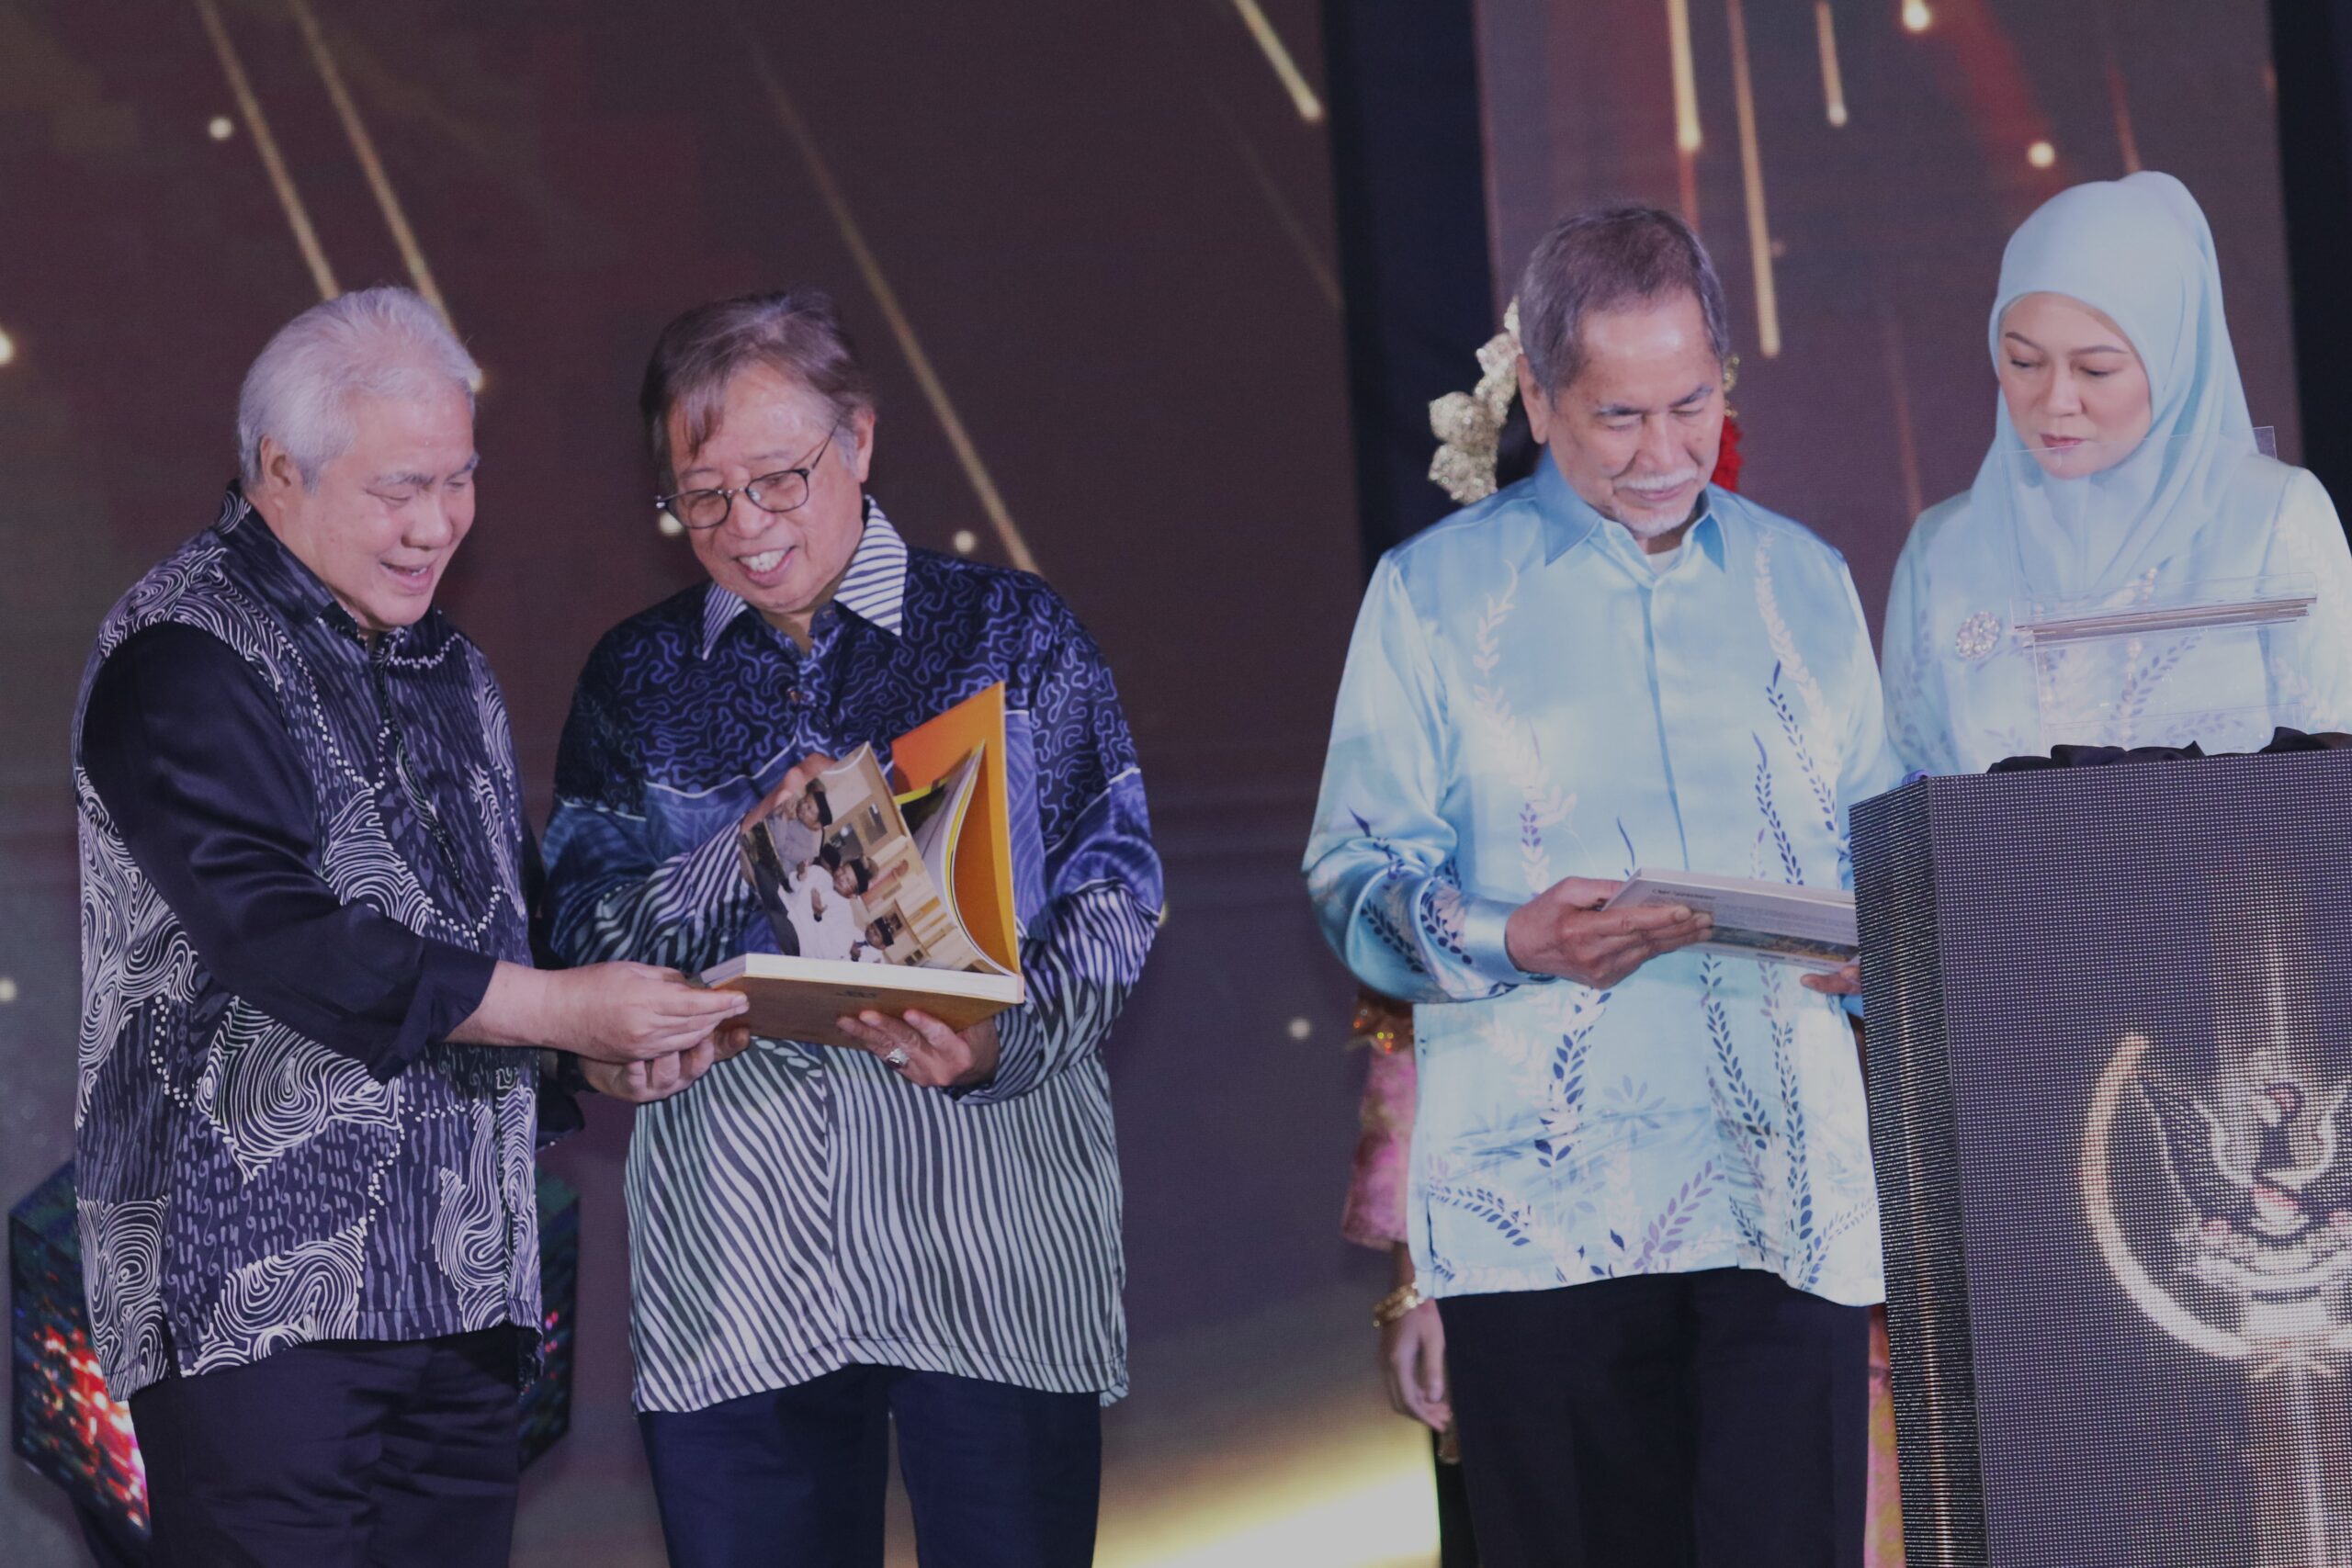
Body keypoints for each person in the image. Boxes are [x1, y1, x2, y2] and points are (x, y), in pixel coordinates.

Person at [71, 288, 747, 1568]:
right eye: (400, 488)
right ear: (279, 469)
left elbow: (496, 943)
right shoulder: (182, 651)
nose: (437, 523)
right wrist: (559, 1007)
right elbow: (282, 937)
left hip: (463, 1295)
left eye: (460, 479)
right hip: (256, 1304)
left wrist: (589, 1049)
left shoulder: (455, 671)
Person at [1304, 206, 1898, 1568]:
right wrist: (1510, 936)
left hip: (1783, 1198)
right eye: (1617, 416)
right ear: (1537, 399)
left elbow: (1884, 845)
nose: (1662, 453)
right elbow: (1351, 874)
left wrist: (1893, 941)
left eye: (1690, 405)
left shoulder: (1805, 584)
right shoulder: (1432, 597)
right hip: (1544, 1218)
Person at [540, 288, 1161, 1568]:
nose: (745, 527)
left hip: (990, 1239)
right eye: (701, 496)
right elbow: (581, 934)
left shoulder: (1011, 633)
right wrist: (748, 852)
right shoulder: (636, 679)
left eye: (779, 478)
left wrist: (1001, 1041)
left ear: (861, 438)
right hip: (742, 1264)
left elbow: (1117, 891)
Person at [1883, 171, 2352, 775]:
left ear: (2172, 358)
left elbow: (2335, 766)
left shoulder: (2272, 517)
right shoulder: (1944, 549)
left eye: (2096, 370)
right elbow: (1906, 785)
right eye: (2024, 361)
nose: (2056, 400)